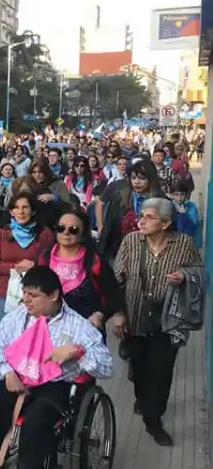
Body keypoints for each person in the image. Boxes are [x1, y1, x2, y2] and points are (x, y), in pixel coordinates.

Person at [0, 267, 114, 469]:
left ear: (54, 295)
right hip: (15, 378)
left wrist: (78, 352)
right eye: (24, 293)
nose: (26, 300)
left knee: (35, 426)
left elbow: (107, 367)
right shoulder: (18, 317)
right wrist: (7, 372)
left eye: (33, 295)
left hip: (53, 387)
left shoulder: (78, 326)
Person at [114, 198, 203, 446]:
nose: (140, 221)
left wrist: (184, 276)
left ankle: (154, 422)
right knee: (139, 369)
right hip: (134, 317)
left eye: (149, 217)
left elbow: (198, 271)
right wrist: (117, 314)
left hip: (168, 319)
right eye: (141, 215)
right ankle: (142, 398)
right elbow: (116, 280)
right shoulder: (131, 241)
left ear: (165, 223)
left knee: (162, 372)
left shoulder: (183, 244)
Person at [36, 209, 125, 331]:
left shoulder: (95, 262)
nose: (66, 233)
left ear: (83, 234)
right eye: (61, 228)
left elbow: (113, 296)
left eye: (73, 229)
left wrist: (100, 314)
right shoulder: (43, 259)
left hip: (87, 330)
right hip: (49, 329)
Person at [0, 193, 55, 322]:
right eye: (16, 208)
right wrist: (15, 268)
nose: (21, 212)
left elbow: (52, 264)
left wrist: (34, 267)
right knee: (8, 337)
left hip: (36, 294)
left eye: (25, 207)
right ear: (11, 212)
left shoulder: (45, 234)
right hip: (6, 292)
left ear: (33, 211)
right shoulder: (2, 233)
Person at [96, 159, 167, 263]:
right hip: (119, 249)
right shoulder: (120, 195)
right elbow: (108, 218)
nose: (137, 182)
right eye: (133, 178)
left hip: (149, 253)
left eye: (142, 178)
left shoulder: (160, 200)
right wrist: (100, 226)